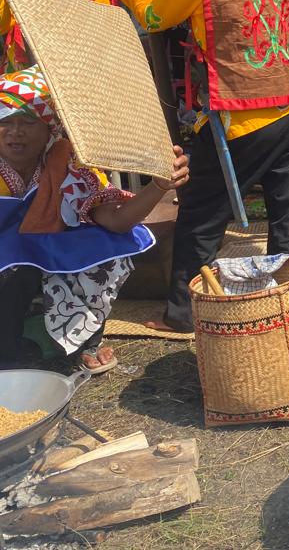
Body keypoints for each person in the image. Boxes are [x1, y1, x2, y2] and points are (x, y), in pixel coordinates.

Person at [118, 0, 289, 332]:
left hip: (241, 117)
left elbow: (152, 16)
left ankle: (182, 315)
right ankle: (285, 300)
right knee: (286, 213)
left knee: (202, 214)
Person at [0, 65, 190, 371]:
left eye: (27, 122)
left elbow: (115, 220)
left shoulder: (67, 164)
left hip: (44, 257)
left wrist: (158, 187)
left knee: (106, 249)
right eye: (5, 122)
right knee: (13, 270)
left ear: (50, 129)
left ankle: (84, 342)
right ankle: (6, 359)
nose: (15, 132)